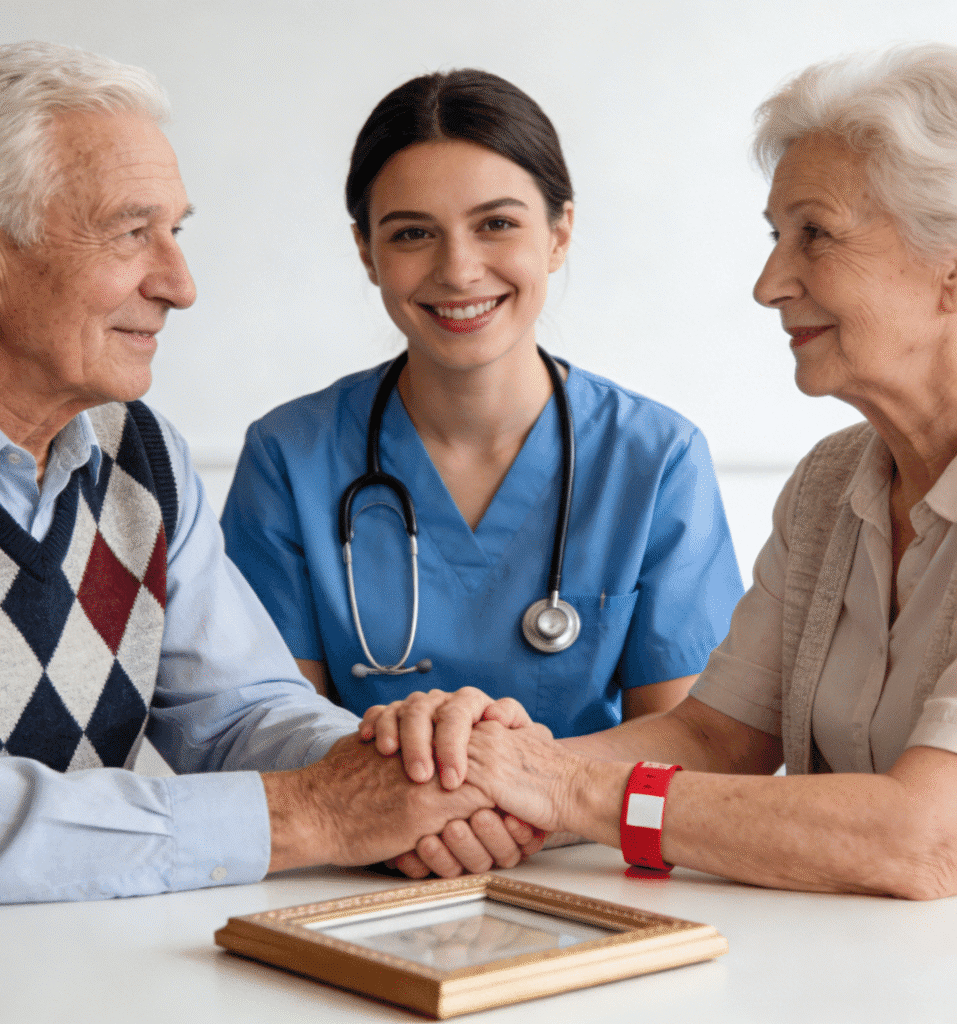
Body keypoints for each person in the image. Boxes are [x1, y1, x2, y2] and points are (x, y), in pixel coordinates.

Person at [373, 44, 957, 898]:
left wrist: (563, 790)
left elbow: (927, 840)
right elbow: (718, 740)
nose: (769, 283)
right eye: (777, 237)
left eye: (816, 234)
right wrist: (486, 776)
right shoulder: (831, 485)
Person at [0, 41, 502, 908]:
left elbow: (240, 713)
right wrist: (313, 816)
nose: (180, 284)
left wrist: (408, 769)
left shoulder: (140, 454)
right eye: (131, 232)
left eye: (176, 231)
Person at [220, 70, 743, 748]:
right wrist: (413, 788)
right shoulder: (290, 457)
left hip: (581, 821)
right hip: (359, 818)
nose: (459, 270)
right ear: (366, 253)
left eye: (497, 224)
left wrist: (521, 784)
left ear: (559, 234)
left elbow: (693, 746)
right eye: (413, 234)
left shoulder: (654, 458)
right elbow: (265, 734)